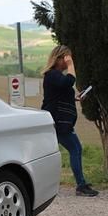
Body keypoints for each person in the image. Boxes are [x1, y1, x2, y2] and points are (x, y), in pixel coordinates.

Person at [41, 45, 99, 197]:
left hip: (60, 120)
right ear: (58, 58)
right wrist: (71, 65)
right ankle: (81, 185)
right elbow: (69, 81)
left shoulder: (56, 76)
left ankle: (80, 184)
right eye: (66, 58)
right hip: (59, 121)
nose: (68, 61)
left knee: (74, 149)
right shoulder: (52, 74)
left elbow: (58, 95)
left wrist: (75, 98)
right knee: (75, 149)